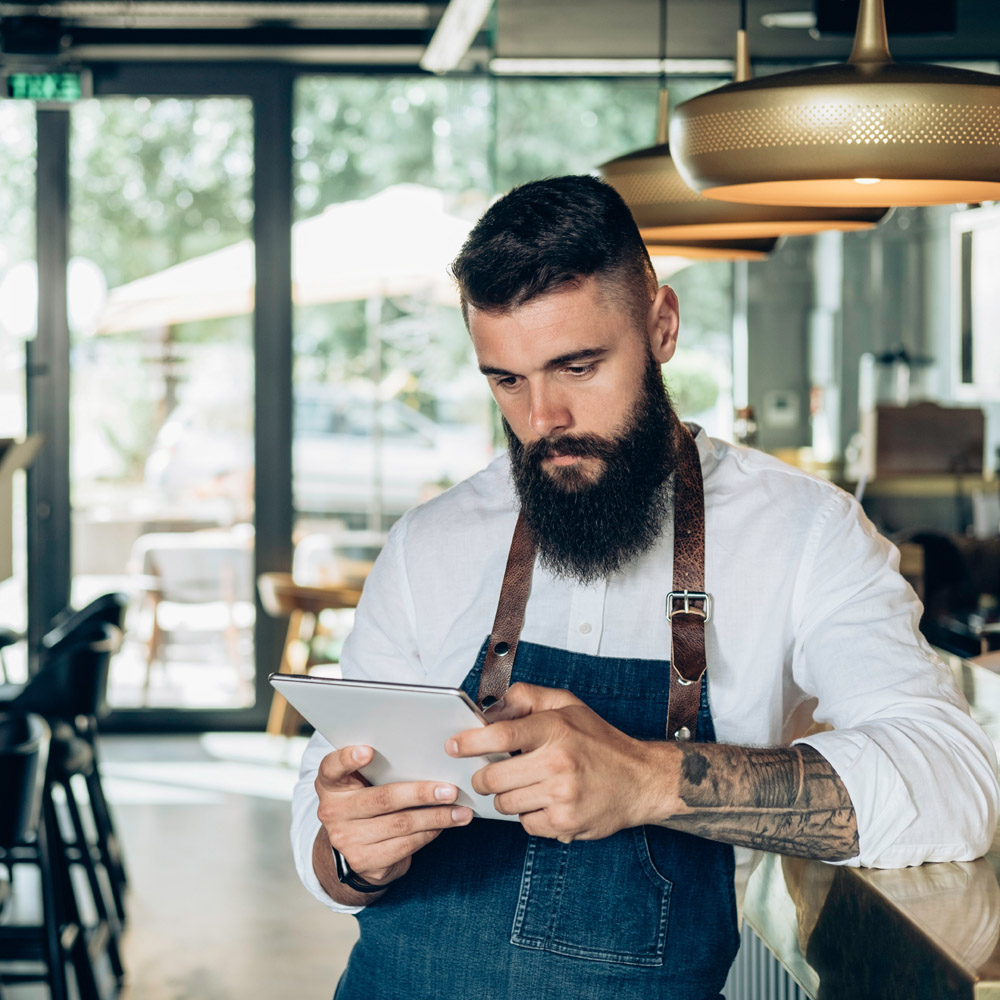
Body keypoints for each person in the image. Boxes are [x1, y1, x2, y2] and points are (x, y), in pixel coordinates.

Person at [291, 175, 999, 1000]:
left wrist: (650, 778)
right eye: (506, 380)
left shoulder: (806, 533)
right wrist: (350, 854)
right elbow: (320, 813)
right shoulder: (429, 543)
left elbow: (953, 782)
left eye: (578, 366)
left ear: (661, 325)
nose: (543, 417)